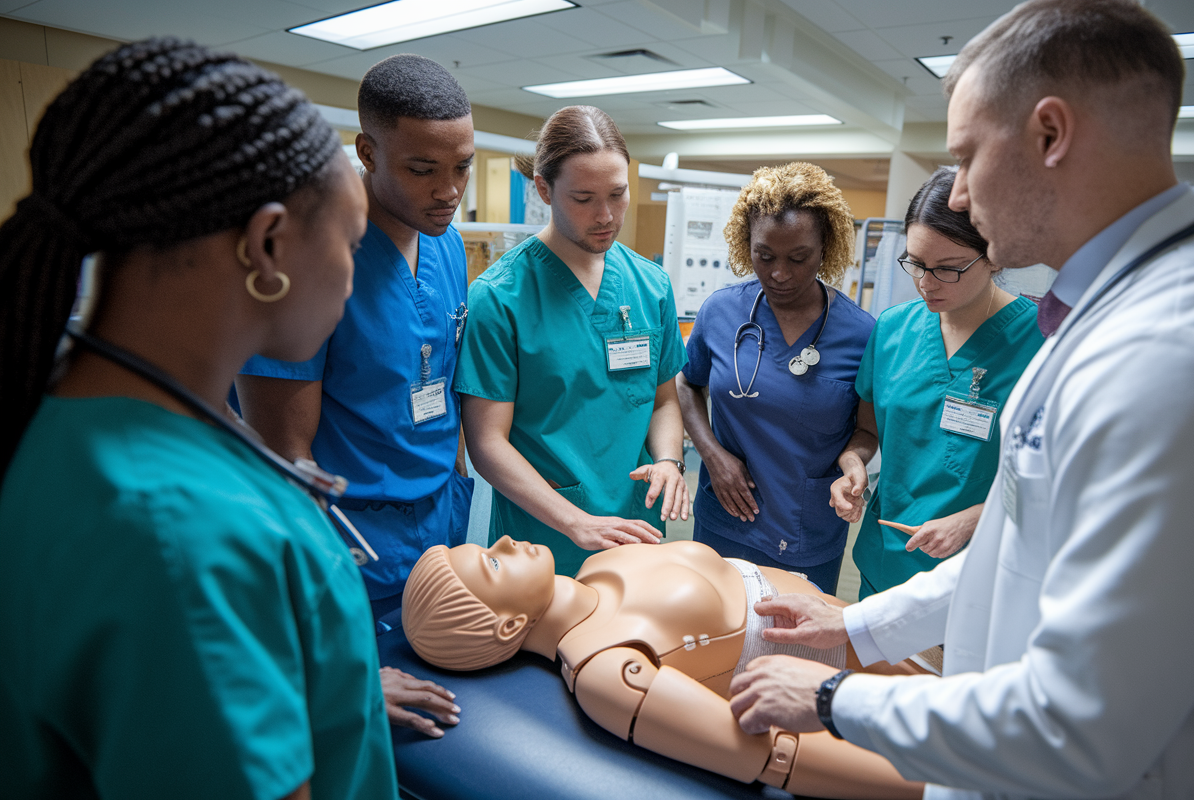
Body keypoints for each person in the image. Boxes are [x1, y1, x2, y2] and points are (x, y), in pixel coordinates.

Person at [728, 1, 1194, 798]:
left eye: (967, 153)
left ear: (1050, 136)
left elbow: (1081, 723)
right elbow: (1016, 548)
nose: (956, 195)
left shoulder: (1186, 354)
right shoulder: (1109, 319)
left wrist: (832, 698)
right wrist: (853, 626)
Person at [0, 39, 404, 798]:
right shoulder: (179, 528)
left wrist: (317, 686)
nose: (354, 277)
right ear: (268, 243)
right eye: (350, 243)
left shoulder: (83, 421)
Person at [401, 536, 926, 799]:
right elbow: (777, 755)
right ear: (510, 626)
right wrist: (944, 783)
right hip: (844, 670)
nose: (507, 541)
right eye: (493, 562)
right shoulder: (609, 670)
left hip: (856, 621)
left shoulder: (595, 566)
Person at [236, 54, 475, 622]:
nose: (449, 190)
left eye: (462, 166)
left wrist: (459, 484)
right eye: (422, 169)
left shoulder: (449, 246)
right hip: (351, 544)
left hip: (443, 530)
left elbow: (445, 388)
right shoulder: (308, 264)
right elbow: (284, 457)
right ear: (367, 153)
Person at [456, 105, 689, 577]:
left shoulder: (651, 285)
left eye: (618, 195)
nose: (605, 216)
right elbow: (487, 443)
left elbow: (663, 400)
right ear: (543, 189)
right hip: (543, 537)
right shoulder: (500, 298)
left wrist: (669, 460)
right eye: (583, 198)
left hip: (634, 526)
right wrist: (576, 522)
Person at [832, 167, 1042, 599]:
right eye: (916, 264)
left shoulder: (1040, 342)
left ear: (995, 255)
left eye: (948, 269)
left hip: (981, 571)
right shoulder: (893, 330)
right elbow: (868, 430)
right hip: (888, 560)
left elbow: (1059, 479)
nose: (926, 284)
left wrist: (974, 520)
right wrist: (852, 464)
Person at [676, 162, 873, 594]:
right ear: (746, 245)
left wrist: (853, 464)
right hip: (726, 518)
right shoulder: (721, 312)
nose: (779, 274)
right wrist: (710, 454)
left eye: (798, 258)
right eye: (764, 256)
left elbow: (865, 430)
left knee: (792, 648)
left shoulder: (861, 333)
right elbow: (687, 384)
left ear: (826, 248)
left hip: (808, 530)